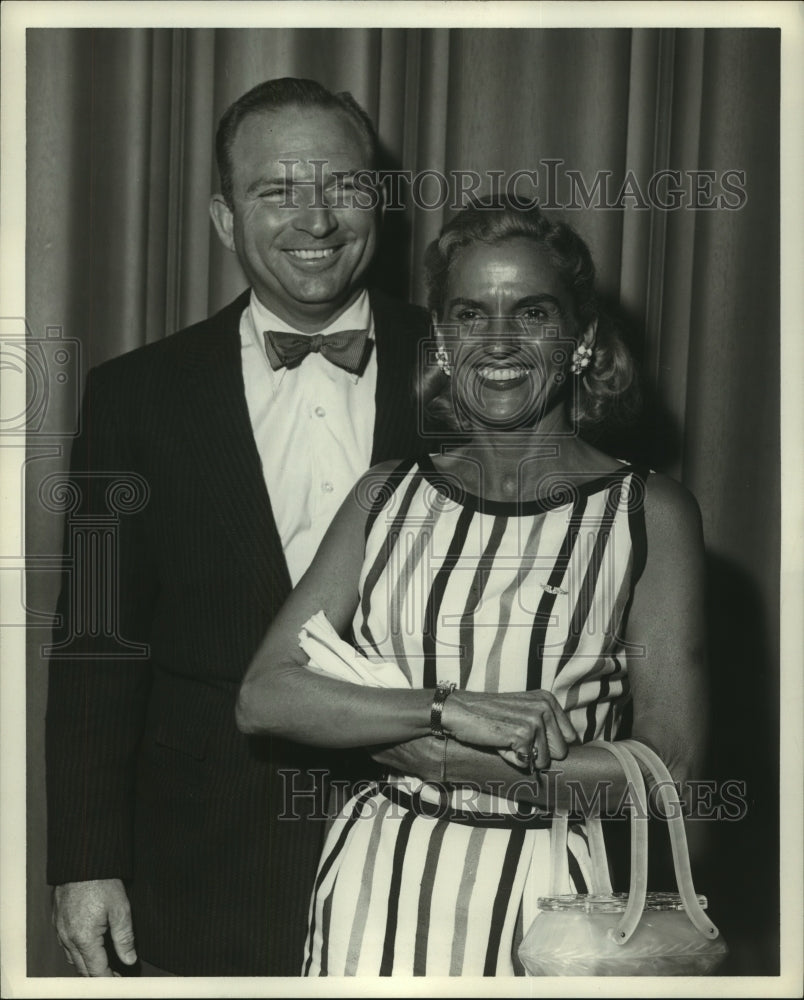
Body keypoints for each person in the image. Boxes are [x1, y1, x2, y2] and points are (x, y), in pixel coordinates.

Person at [236, 198, 709, 975]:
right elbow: (265, 696)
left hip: (551, 904)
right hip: (373, 880)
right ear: (445, 342)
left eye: (531, 313)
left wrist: (437, 758)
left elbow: (668, 780)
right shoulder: (382, 496)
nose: (497, 340)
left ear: (582, 340)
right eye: (469, 314)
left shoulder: (648, 511)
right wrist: (448, 710)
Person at [45, 77, 430, 977]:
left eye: (342, 185)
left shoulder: (471, 373)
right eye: (278, 190)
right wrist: (85, 862)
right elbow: (96, 642)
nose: (318, 219)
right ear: (224, 219)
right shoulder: (131, 398)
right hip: (205, 859)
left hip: (434, 838)